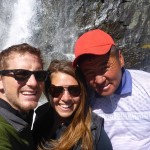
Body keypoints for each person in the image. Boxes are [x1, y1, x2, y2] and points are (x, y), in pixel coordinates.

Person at [72, 29, 150, 150]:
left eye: (104, 68)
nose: (99, 80)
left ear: (120, 58)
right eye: (89, 72)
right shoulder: (80, 97)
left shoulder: (146, 86)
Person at [32, 60, 112, 150]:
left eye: (74, 90)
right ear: (48, 92)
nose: (66, 98)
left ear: (82, 92)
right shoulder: (40, 115)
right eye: (57, 90)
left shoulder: (94, 134)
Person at [0, 43, 49, 150]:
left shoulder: (23, 118)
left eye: (39, 75)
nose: (33, 83)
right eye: (21, 74)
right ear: (0, 81)